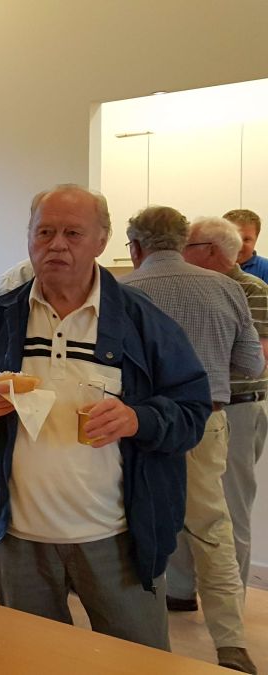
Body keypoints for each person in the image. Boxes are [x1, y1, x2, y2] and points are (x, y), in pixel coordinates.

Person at [0, 185, 211, 653]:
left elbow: (192, 411)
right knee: (31, 659)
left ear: (101, 241)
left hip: (117, 537)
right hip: (21, 539)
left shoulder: (142, 321)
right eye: (44, 232)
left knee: (137, 662)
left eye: (73, 233)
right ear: (29, 237)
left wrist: (138, 419)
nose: (57, 245)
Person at [123, 207, 261, 674]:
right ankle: (231, 644)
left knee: (140, 526)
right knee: (212, 529)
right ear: (183, 242)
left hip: (141, 425)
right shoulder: (227, 287)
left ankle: (144, 639)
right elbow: (252, 365)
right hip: (207, 421)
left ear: (135, 247)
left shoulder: (124, 293)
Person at [180, 216, 268, 598]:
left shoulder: (253, 289)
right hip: (197, 406)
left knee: (231, 507)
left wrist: (199, 358)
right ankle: (181, 591)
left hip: (238, 409)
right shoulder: (194, 286)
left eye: (188, 246)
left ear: (211, 251)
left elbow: (257, 359)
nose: (180, 254)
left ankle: (232, 596)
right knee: (185, 502)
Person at [228, 208, 268, 283]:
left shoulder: (265, 269)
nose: (239, 245)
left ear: (256, 239)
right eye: (233, 238)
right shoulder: (210, 268)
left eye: (246, 239)